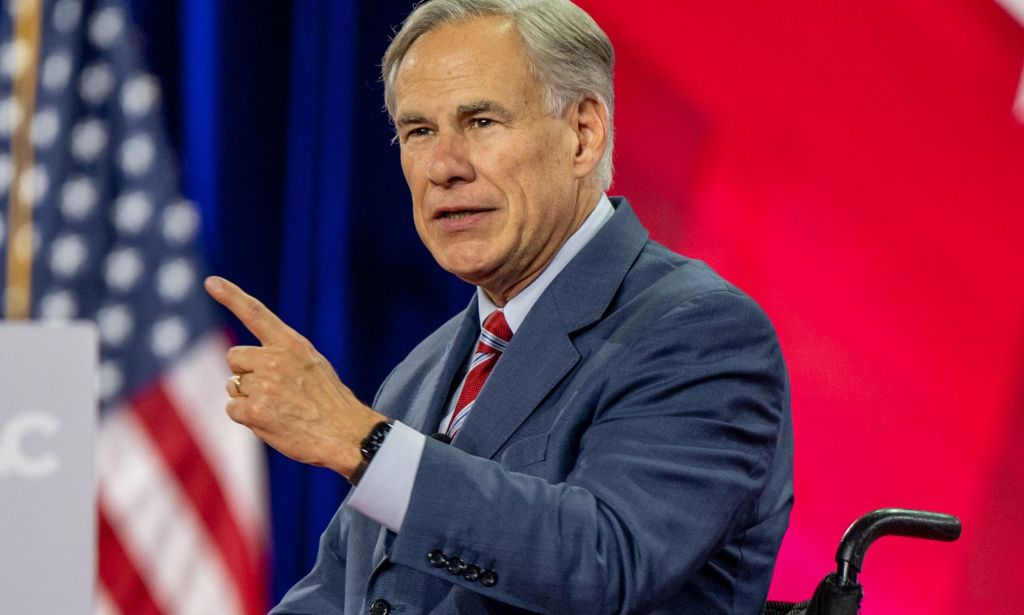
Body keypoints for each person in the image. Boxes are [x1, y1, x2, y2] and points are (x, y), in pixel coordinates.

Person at [204, 0, 793, 613]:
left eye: (481, 121)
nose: (443, 167)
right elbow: (339, 593)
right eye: (419, 132)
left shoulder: (699, 333)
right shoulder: (424, 369)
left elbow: (605, 560)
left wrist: (362, 441)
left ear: (583, 135)